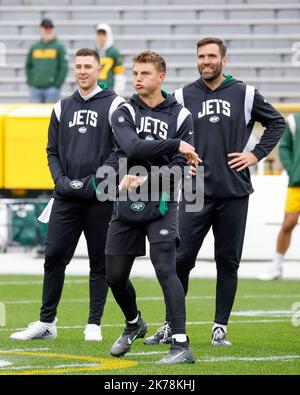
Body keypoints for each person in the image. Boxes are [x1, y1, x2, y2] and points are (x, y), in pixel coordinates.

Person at [144, 37, 286, 347]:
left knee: (228, 262)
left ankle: (219, 327)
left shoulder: (245, 93)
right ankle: (171, 324)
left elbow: (277, 123)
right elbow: (164, 134)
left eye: (211, 56)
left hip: (234, 192)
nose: (205, 61)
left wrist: (256, 154)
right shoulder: (181, 96)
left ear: (224, 59)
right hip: (194, 192)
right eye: (201, 56)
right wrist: (178, 163)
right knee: (180, 260)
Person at [10, 48, 125, 341]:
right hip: (66, 196)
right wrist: (61, 180)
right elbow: (52, 150)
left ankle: (94, 324)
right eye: (79, 66)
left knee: (100, 261)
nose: (83, 71)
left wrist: (94, 182)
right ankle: (47, 322)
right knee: (54, 255)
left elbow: (119, 152)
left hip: (101, 195)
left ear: (100, 70)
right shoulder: (62, 107)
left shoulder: (114, 105)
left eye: (89, 66)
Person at [105, 50, 200, 364]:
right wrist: (175, 144)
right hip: (124, 200)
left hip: (161, 200)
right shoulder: (123, 109)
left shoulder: (181, 116)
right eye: (134, 73)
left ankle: (181, 344)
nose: (137, 79)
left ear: (161, 77)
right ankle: (134, 323)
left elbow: (179, 170)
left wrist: (143, 177)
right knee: (114, 276)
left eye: (144, 74)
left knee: (165, 269)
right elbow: (131, 147)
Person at [259, 113, 300, 281]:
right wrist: (293, 171)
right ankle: (276, 266)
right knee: (288, 223)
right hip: (297, 184)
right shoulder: (294, 120)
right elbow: (284, 148)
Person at [25, 18, 68, 103]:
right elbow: (28, 66)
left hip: (52, 89)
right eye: (46, 27)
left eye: (50, 27)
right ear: (40, 29)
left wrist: (57, 84)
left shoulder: (59, 47)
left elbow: (64, 67)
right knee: (34, 115)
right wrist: (31, 82)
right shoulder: (34, 47)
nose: (48, 30)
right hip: (36, 88)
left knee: (51, 115)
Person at [95, 23, 126, 95]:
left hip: (109, 90)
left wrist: (117, 92)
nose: (101, 37)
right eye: (99, 34)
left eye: (103, 34)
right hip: (95, 90)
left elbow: (120, 74)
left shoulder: (114, 52)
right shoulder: (94, 52)